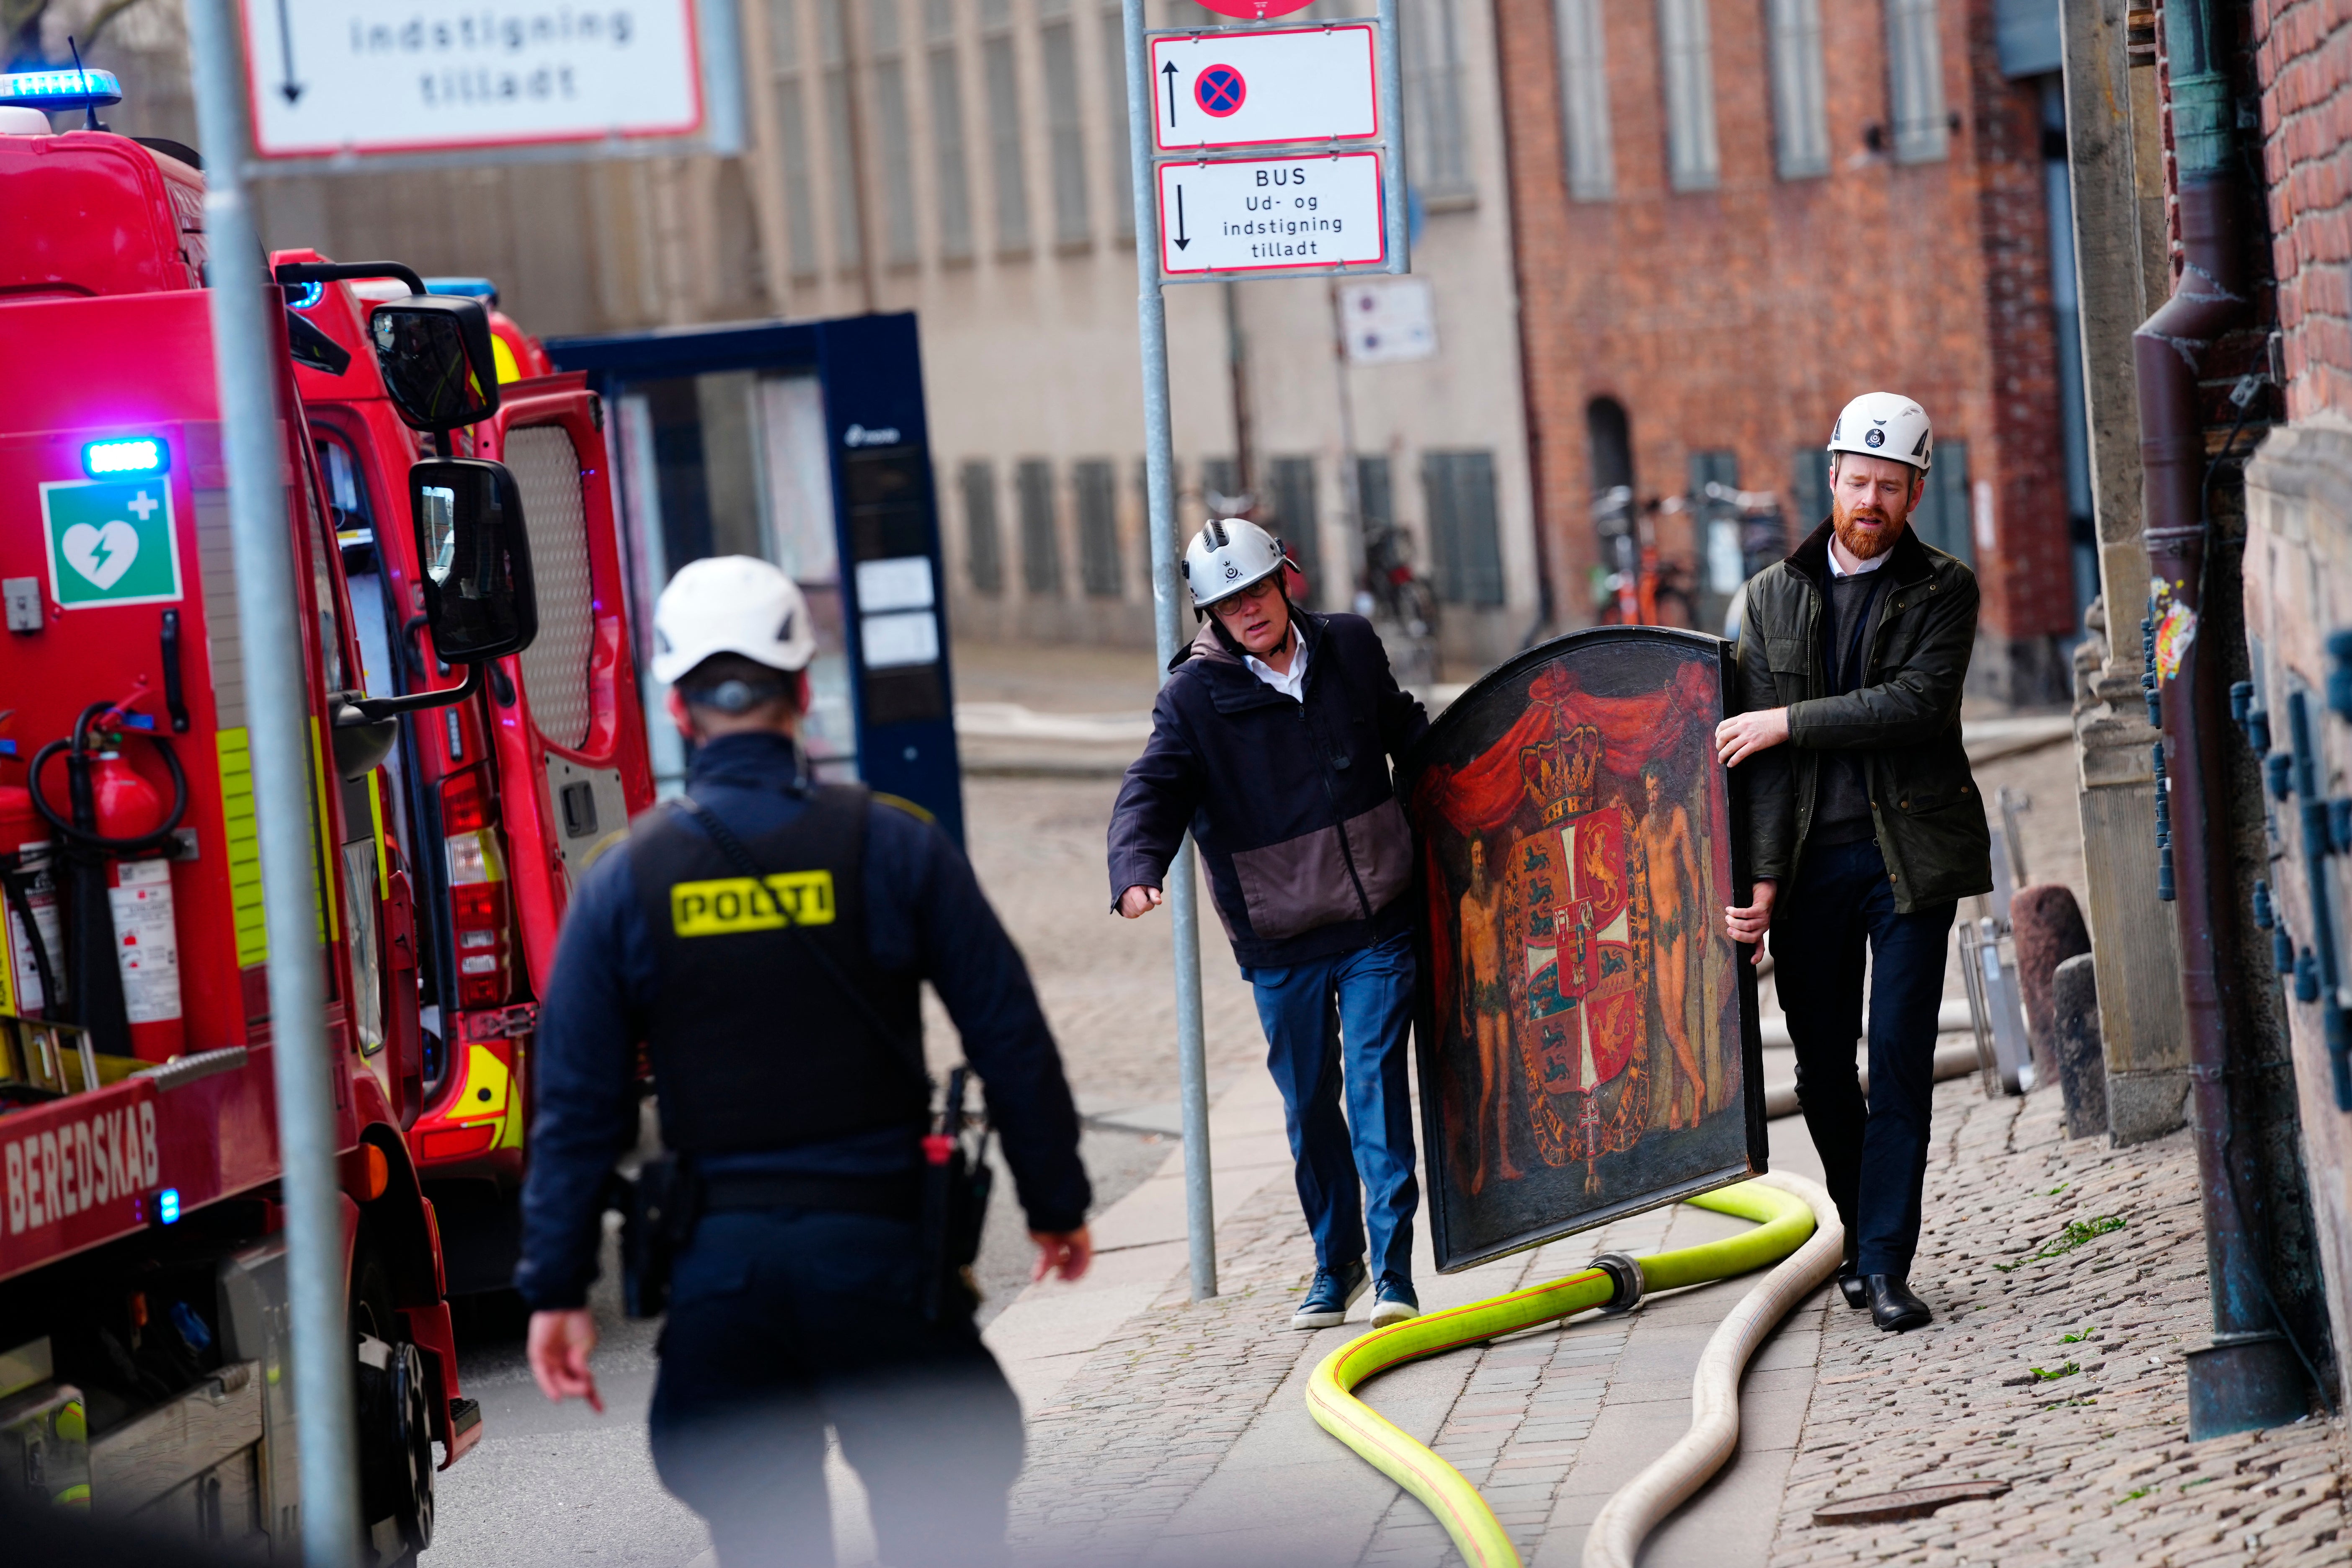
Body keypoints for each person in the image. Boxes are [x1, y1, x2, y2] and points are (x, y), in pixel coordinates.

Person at [514, 555, 1094, 1568]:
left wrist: (554, 1286)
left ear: (677, 707)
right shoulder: (895, 845)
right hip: (884, 1264)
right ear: (804, 689)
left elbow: (575, 1105)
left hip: (722, 1281)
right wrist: (1055, 1200)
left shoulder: (626, 882)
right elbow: (1009, 1035)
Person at [1107, 516, 1429, 1331]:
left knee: (1377, 1088)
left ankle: (1394, 1277)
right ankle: (1337, 1264)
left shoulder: (1352, 646)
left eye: (1255, 589)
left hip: (1379, 922)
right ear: (1207, 613)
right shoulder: (1193, 696)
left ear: (1285, 580)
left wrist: (1476, 801)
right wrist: (1136, 869)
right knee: (1310, 1107)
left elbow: (1406, 732)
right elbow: (1152, 790)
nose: (1246, 609)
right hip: (1281, 938)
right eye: (1226, 601)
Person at [1715, 392, 1993, 1333]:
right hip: (1806, 872)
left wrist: (1788, 721)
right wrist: (1756, 885)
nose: (1871, 499)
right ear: (1831, 479)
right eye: (1858, 480)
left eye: (1891, 485)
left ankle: (1884, 1264)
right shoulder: (1767, 598)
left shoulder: (1943, 589)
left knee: (1903, 1059)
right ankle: (1857, 1225)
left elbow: (1914, 704)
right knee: (1826, 1071)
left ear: (1916, 493)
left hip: (1905, 857)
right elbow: (1747, 770)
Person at [1458, 836, 1519, 1194]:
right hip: (1482, 1001)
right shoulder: (1466, 904)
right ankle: (1484, 1165)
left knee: (1507, 1081)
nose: (1479, 858)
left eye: (1483, 852)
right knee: (1488, 1085)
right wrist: (1463, 1012)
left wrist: (1514, 844)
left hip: (1500, 995)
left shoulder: (1496, 892)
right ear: (1470, 860)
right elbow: (1463, 960)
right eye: (1475, 853)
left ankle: (1507, 1161)